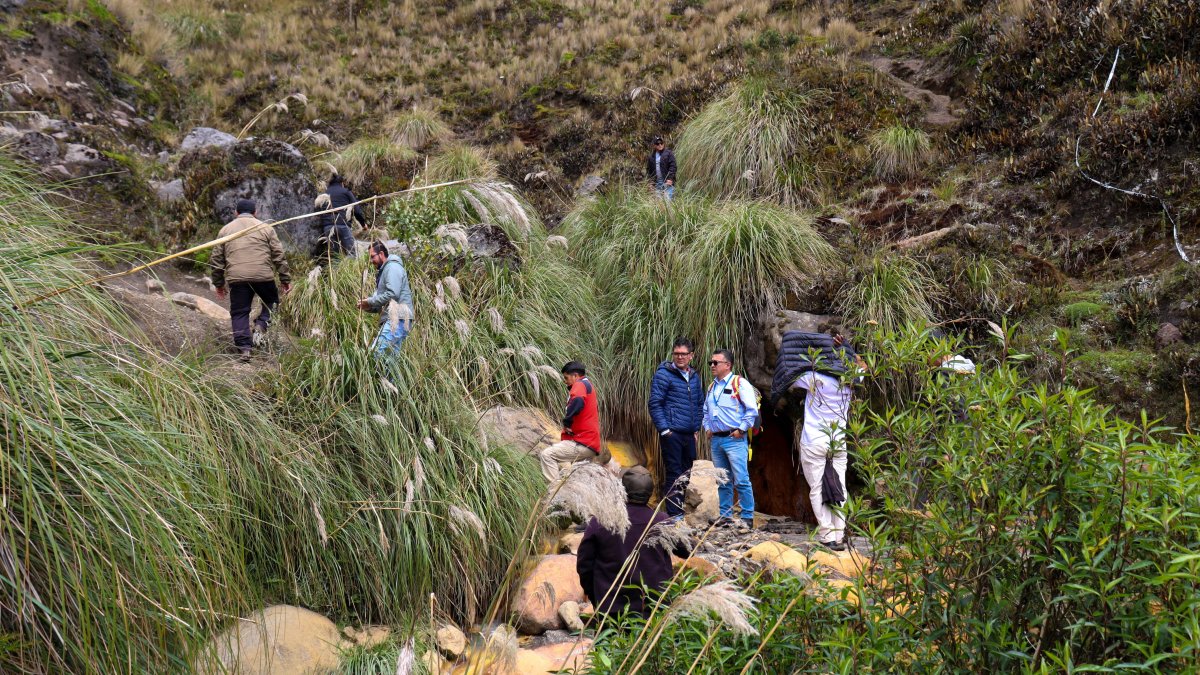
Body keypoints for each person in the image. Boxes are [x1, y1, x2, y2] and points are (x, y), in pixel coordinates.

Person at [576, 465, 690, 617]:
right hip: (654, 608)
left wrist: (596, 597)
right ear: (650, 493)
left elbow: (584, 566)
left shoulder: (600, 522)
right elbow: (688, 550)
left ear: (622, 491)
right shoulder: (662, 521)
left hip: (612, 610)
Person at [790, 335, 864, 551]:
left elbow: (791, 375)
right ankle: (839, 535)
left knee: (817, 487)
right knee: (839, 486)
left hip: (814, 441)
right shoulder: (851, 378)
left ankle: (827, 535)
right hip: (837, 441)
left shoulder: (814, 378)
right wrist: (848, 348)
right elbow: (863, 365)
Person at [211, 198, 292, 361]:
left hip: (237, 278)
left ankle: (244, 349)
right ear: (256, 213)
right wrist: (285, 279)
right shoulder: (265, 228)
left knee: (239, 312)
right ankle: (261, 325)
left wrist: (219, 284)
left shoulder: (225, 230)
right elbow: (278, 255)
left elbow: (216, 260)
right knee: (272, 304)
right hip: (263, 277)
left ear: (236, 213)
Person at [648, 337, 704, 520]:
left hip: (689, 434)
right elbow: (655, 403)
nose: (680, 357)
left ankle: (679, 508)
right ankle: (674, 515)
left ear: (691, 355)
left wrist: (696, 428)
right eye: (676, 354)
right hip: (672, 433)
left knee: (687, 472)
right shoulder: (664, 374)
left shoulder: (694, 377)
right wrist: (665, 430)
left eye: (683, 354)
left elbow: (698, 404)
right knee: (673, 472)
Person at [702, 349, 759, 529]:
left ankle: (747, 517)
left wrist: (741, 430)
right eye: (710, 362)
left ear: (727, 365)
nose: (712, 365)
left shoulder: (739, 383)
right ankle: (725, 516)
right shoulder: (712, 387)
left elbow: (752, 411)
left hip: (734, 439)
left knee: (741, 479)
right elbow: (705, 411)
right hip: (716, 440)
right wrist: (707, 428)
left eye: (715, 362)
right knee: (722, 480)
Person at [539, 361, 602, 483]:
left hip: (582, 442)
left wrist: (567, 421)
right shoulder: (587, 385)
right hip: (589, 443)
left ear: (575, 376)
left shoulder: (580, 384)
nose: (565, 381)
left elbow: (578, 401)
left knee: (547, 455)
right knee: (571, 475)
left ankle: (554, 495)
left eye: (566, 378)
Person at [357, 240, 413, 359]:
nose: (371, 261)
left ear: (381, 254)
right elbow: (385, 302)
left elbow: (393, 294)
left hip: (398, 318)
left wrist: (371, 301)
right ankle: (391, 379)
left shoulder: (392, 267)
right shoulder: (384, 271)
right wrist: (369, 306)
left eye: (372, 257)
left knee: (376, 353)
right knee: (390, 363)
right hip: (396, 318)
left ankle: (373, 377)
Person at [317, 174, 366, 256]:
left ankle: (336, 268)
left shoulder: (323, 195)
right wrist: (363, 224)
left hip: (328, 227)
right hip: (343, 225)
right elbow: (357, 210)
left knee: (335, 256)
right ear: (341, 183)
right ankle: (350, 268)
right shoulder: (346, 192)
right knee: (351, 254)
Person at [645, 135, 676, 201]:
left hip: (667, 182)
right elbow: (649, 170)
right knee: (658, 205)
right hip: (657, 184)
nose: (660, 145)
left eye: (661, 143)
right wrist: (650, 182)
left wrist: (670, 178)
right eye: (657, 143)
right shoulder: (651, 157)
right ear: (654, 145)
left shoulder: (668, 153)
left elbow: (673, 166)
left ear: (663, 144)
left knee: (667, 203)